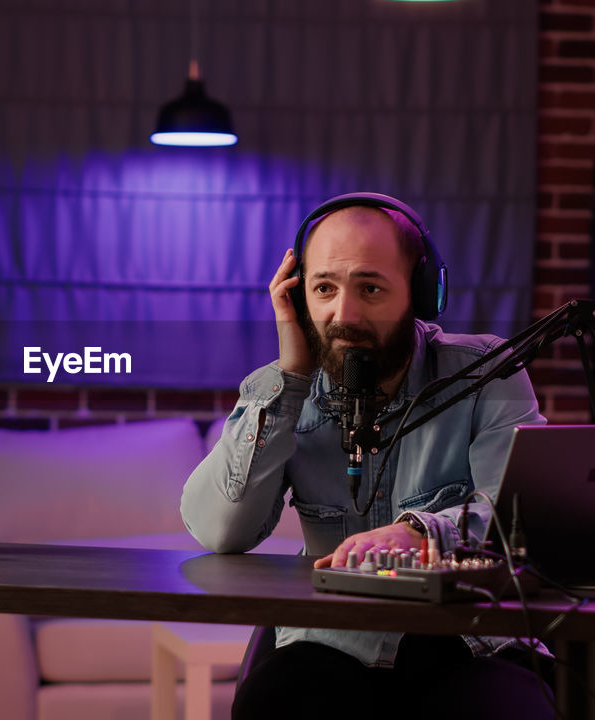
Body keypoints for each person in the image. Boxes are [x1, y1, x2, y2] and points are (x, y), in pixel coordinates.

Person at [180, 194, 554, 719]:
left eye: (370, 288)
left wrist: (419, 534)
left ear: (421, 294)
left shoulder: (487, 374)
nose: (343, 315)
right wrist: (289, 381)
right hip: (325, 646)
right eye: (324, 289)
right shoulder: (280, 390)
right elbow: (219, 530)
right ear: (296, 294)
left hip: (467, 644)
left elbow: (523, 516)